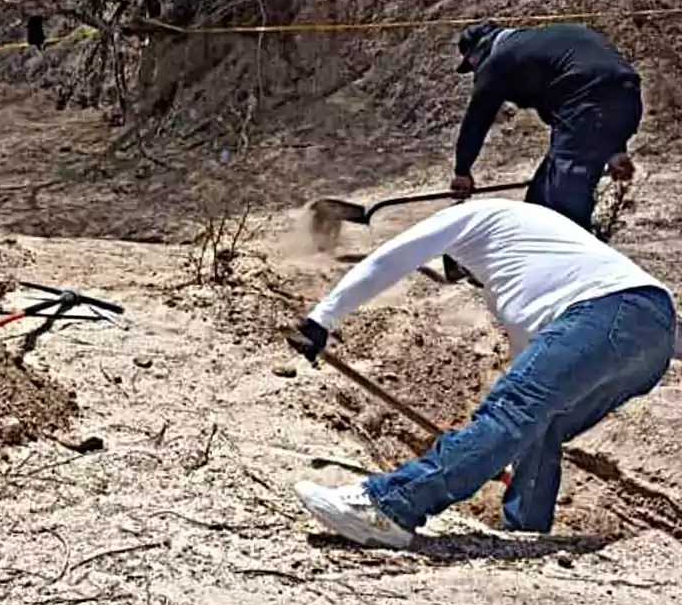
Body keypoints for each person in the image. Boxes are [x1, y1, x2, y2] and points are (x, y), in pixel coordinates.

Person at [285, 197, 676, 548]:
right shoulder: (534, 258)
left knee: (512, 411)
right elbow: (533, 383)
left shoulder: (473, 215)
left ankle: (389, 507)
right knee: (541, 425)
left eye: (461, 272)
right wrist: (497, 455)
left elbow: (394, 257)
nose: (468, 279)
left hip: (610, 311)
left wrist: (323, 317)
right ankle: (526, 531)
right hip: (652, 330)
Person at [449, 19, 642, 235]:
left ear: (479, 50)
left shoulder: (498, 59)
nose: (474, 71)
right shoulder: (539, 45)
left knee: (559, 205)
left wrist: (462, 170)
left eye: (471, 64)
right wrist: (615, 148)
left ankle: (571, 259)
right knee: (541, 198)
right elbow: (600, 80)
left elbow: (477, 118)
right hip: (629, 98)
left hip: (585, 109)